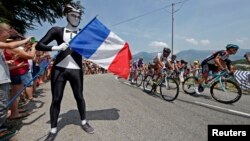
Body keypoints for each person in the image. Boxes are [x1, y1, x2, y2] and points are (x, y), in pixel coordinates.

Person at [35, 2, 94, 141]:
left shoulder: (83, 34)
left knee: (79, 97)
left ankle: (84, 122)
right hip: (59, 70)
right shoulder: (57, 30)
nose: (75, 18)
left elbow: (92, 50)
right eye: (73, 15)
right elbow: (39, 44)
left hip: (76, 70)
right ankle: (53, 129)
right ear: (66, 15)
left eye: (78, 16)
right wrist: (56, 48)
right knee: (56, 99)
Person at [0, 21, 32, 140]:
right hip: (1, 80)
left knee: (3, 104)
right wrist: (26, 40)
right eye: (7, 30)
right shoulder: (4, 44)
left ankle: (2, 128)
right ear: (1, 32)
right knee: (2, 106)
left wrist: (7, 62)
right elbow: (10, 46)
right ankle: (1, 130)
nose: (9, 32)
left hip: (3, 78)